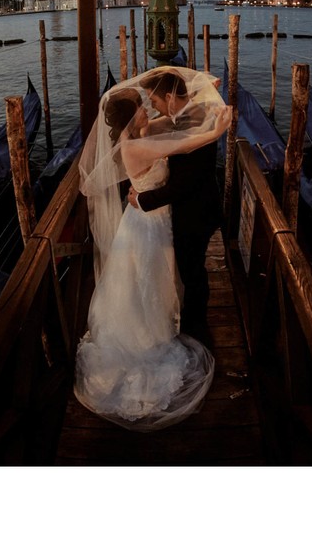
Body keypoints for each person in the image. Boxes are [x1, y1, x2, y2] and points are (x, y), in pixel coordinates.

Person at [75, 68, 232, 431]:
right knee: (151, 278)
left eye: (152, 100)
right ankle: (152, 335)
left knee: (155, 278)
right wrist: (217, 132)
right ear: (133, 118)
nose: (150, 108)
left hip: (151, 219)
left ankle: (163, 324)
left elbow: (167, 123)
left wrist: (202, 90)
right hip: (149, 222)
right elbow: (184, 144)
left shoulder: (138, 134)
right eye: (143, 107)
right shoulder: (137, 144)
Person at [127, 67, 223, 344]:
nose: (153, 108)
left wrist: (141, 200)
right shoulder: (187, 114)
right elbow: (167, 130)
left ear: (169, 97)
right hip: (195, 206)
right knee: (188, 268)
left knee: (193, 272)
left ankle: (198, 329)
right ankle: (189, 318)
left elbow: (183, 186)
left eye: (154, 101)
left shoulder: (194, 122)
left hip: (196, 212)